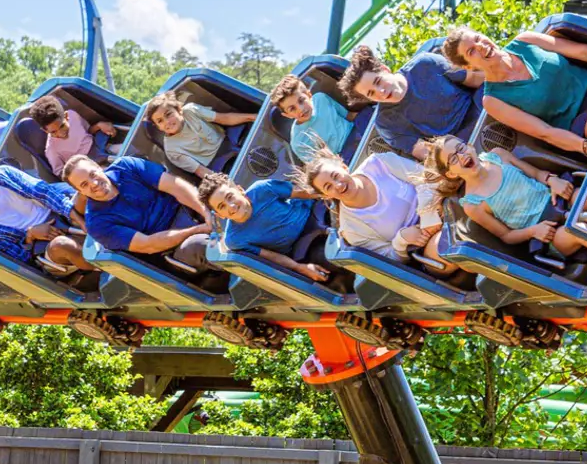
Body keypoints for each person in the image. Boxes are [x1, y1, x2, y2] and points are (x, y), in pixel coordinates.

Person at [440, 27, 587, 153]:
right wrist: (584, 147)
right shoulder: (493, 99)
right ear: (469, 66)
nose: (481, 46)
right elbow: (544, 131)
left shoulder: (524, 40)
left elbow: (581, 51)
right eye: (471, 51)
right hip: (584, 123)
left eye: (478, 38)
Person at [421, 134, 587, 260]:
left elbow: (535, 173)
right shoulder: (473, 204)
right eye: (453, 159)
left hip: (557, 200)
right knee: (580, 230)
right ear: (451, 174)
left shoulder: (498, 156)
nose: (462, 156)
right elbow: (507, 236)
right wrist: (534, 231)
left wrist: (551, 180)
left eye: (461, 148)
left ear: (470, 146)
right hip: (549, 233)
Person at [296, 144, 460, 276]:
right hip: (424, 246)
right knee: (452, 246)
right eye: (328, 187)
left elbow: (427, 177)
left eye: (336, 176)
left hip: (444, 205)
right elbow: (391, 261)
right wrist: (401, 239)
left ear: (344, 167)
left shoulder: (379, 163)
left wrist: (427, 215)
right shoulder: (351, 229)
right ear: (325, 196)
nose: (338, 185)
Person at [61, 152, 224, 284]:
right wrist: (197, 229)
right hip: (172, 248)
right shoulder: (97, 223)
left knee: (221, 203)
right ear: (80, 193)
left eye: (93, 174)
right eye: (84, 185)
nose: (94, 183)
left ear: (98, 167)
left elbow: (175, 186)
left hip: (187, 210)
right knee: (203, 244)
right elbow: (148, 244)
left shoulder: (126, 166)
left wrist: (206, 213)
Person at [195, 168, 348, 289]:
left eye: (230, 197)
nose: (232, 206)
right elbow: (270, 256)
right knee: (333, 258)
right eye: (222, 206)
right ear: (220, 215)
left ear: (240, 190)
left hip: (312, 215)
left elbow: (306, 193)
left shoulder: (262, 189)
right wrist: (299, 267)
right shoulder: (234, 240)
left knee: (348, 232)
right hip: (303, 247)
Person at [339, 45, 477, 175]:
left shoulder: (424, 64)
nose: (380, 91)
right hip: (456, 146)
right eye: (371, 93)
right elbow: (426, 153)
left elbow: (472, 78)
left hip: (478, 109)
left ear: (384, 69)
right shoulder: (386, 123)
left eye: (378, 81)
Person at [0, 161, 91, 277]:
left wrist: (78, 219)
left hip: (58, 211)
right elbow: (23, 261)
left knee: (86, 194)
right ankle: (107, 266)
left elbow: (43, 191)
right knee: (62, 245)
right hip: (44, 247)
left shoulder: (3, 174)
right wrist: (30, 235)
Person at [145, 91, 254, 175]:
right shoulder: (171, 149)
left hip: (228, 140)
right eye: (160, 121)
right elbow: (201, 171)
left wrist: (253, 117)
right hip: (217, 164)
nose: (167, 122)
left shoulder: (191, 110)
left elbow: (224, 118)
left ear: (179, 110)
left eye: (168, 114)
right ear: (158, 127)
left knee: (248, 135)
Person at [269, 74, 355, 165]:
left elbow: (349, 116)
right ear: (287, 115)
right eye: (292, 109)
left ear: (309, 94)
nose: (301, 109)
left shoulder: (321, 99)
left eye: (301, 100)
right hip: (343, 158)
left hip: (355, 131)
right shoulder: (298, 142)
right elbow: (322, 166)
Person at [32, 94, 116, 180]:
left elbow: (88, 131)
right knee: (106, 170)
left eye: (62, 126)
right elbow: (61, 173)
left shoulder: (73, 115)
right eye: (53, 132)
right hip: (85, 162)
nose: (60, 133)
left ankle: (112, 151)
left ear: (66, 116)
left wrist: (99, 125)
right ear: (45, 131)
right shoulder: (51, 149)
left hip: (95, 144)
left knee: (114, 141)